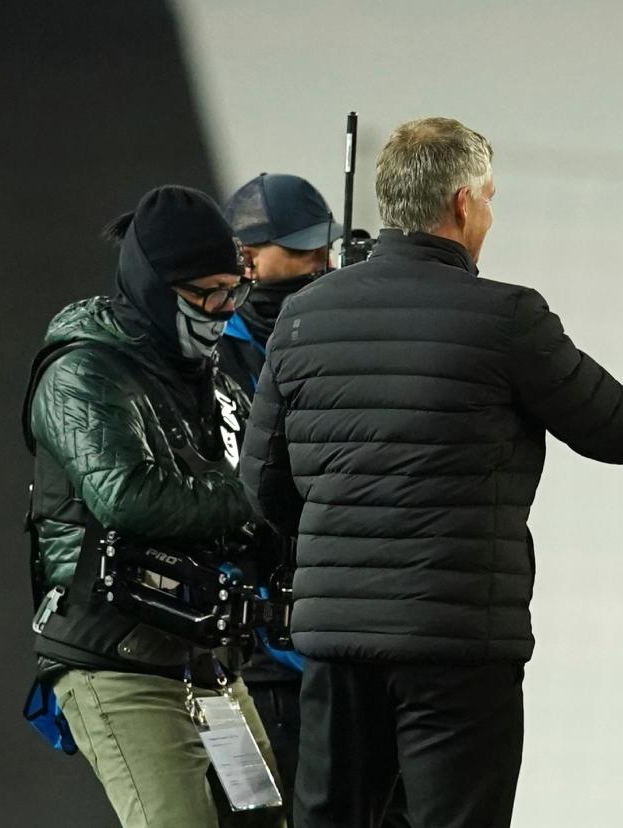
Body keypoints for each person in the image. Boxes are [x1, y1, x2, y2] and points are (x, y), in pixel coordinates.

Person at [238, 116, 623, 828]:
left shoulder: (303, 317)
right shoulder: (507, 318)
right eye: (489, 196)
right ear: (464, 202)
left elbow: (262, 489)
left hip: (335, 649)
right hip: (456, 647)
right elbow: (619, 429)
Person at [23, 185, 285, 827]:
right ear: (152, 285)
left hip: (208, 664)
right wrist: (254, 502)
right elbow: (128, 497)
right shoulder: (82, 373)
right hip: (118, 658)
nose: (223, 310)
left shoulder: (210, 379)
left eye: (233, 290)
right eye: (205, 294)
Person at [220, 172, 414, 828]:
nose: (319, 263)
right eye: (299, 250)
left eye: (323, 248)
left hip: (361, 639)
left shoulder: (342, 334)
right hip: (273, 657)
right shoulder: (216, 358)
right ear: (247, 254)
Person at [220, 173, 344, 393]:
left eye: (328, 250)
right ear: (247, 258)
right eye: (308, 252)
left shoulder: (345, 325)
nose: (327, 265)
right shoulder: (212, 342)